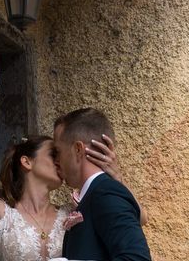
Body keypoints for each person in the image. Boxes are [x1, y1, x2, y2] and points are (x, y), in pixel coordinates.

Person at [0, 83, 145, 261]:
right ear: (27, 162)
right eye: (54, 154)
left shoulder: (72, 213)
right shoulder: (1, 215)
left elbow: (138, 218)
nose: (60, 160)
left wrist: (115, 178)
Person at [53, 107, 152, 261]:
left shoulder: (105, 193)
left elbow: (137, 258)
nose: (56, 161)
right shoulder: (95, 193)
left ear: (78, 149)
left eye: (58, 152)